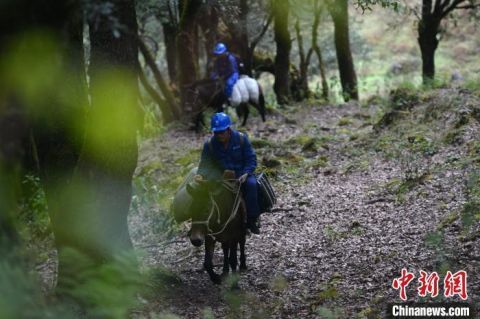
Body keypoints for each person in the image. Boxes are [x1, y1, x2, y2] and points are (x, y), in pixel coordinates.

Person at [195, 112, 261, 234]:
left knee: (252, 185)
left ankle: (252, 220)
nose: (219, 135)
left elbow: (251, 159)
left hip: (242, 174)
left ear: (228, 129)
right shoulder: (209, 145)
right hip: (221, 176)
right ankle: (204, 221)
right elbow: (205, 163)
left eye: (222, 132)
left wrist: (246, 173)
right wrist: (201, 174)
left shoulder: (241, 139)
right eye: (216, 133)